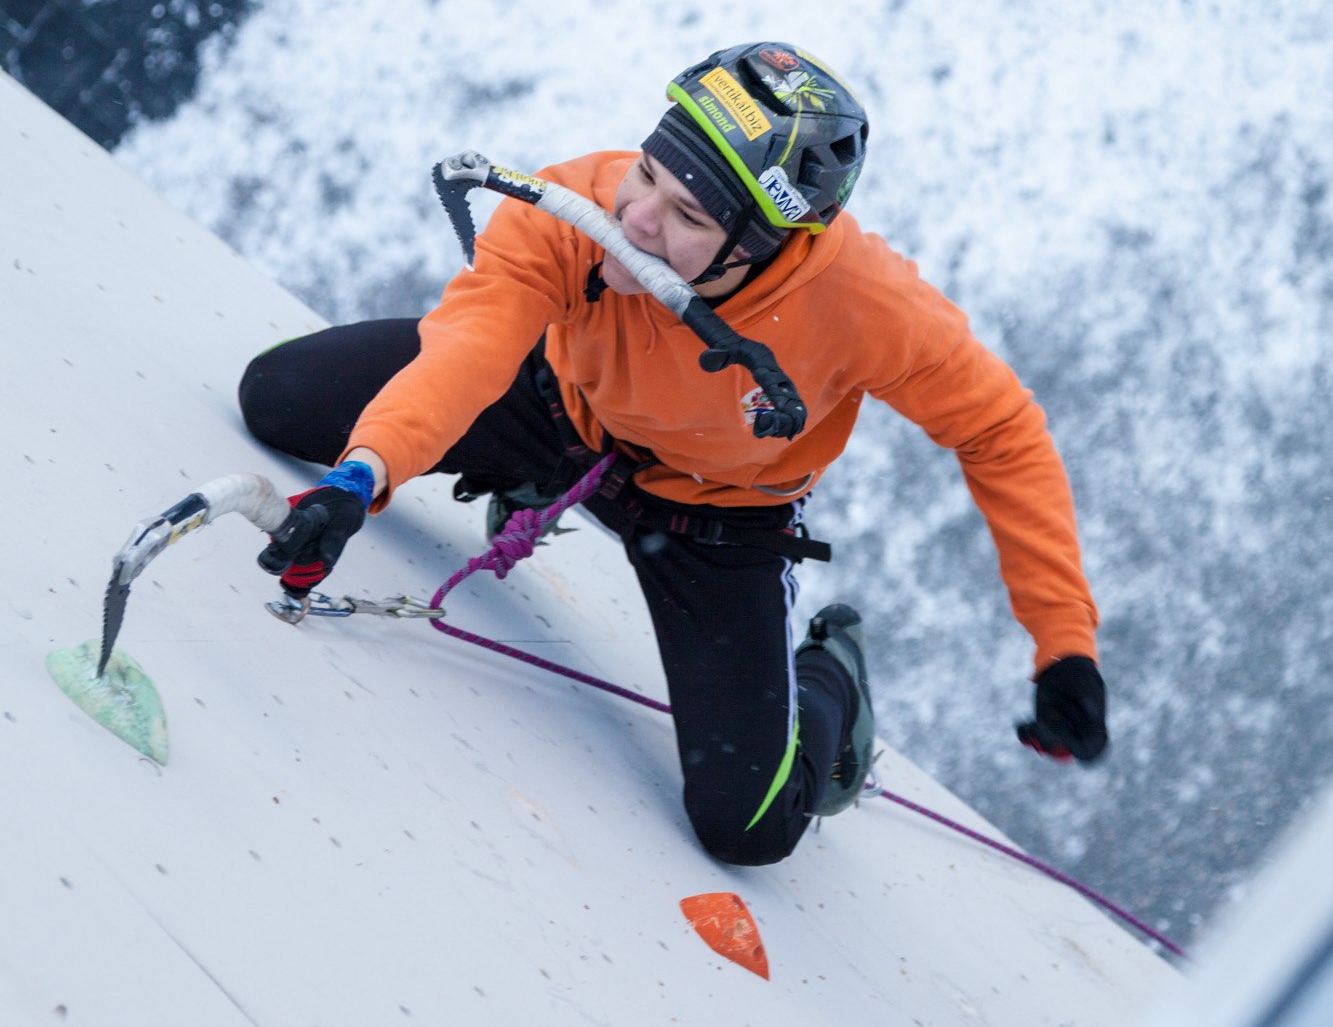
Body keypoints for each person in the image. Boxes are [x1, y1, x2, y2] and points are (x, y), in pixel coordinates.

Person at [239, 42, 1108, 869]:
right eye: (647, 172)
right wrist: (366, 474)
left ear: (769, 242)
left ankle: (832, 682)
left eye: (687, 217)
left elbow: (1001, 433)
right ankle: (530, 478)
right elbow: (471, 346)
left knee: (749, 826)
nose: (635, 217)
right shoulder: (574, 203)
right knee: (277, 398)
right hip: (546, 404)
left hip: (714, 514)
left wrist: (1062, 644)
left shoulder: (868, 309)